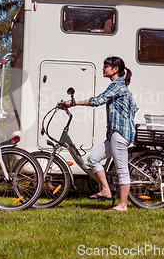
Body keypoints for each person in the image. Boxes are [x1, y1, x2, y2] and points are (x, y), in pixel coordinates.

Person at [66, 56, 138, 212]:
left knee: (122, 169)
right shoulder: (119, 86)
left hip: (120, 133)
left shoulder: (117, 85)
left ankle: (123, 205)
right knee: (93, 159)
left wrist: (74, 103)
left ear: (115, 69)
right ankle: (106, 190)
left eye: (106, 66)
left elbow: (98, 100)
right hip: (115, 134)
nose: (103, 68)